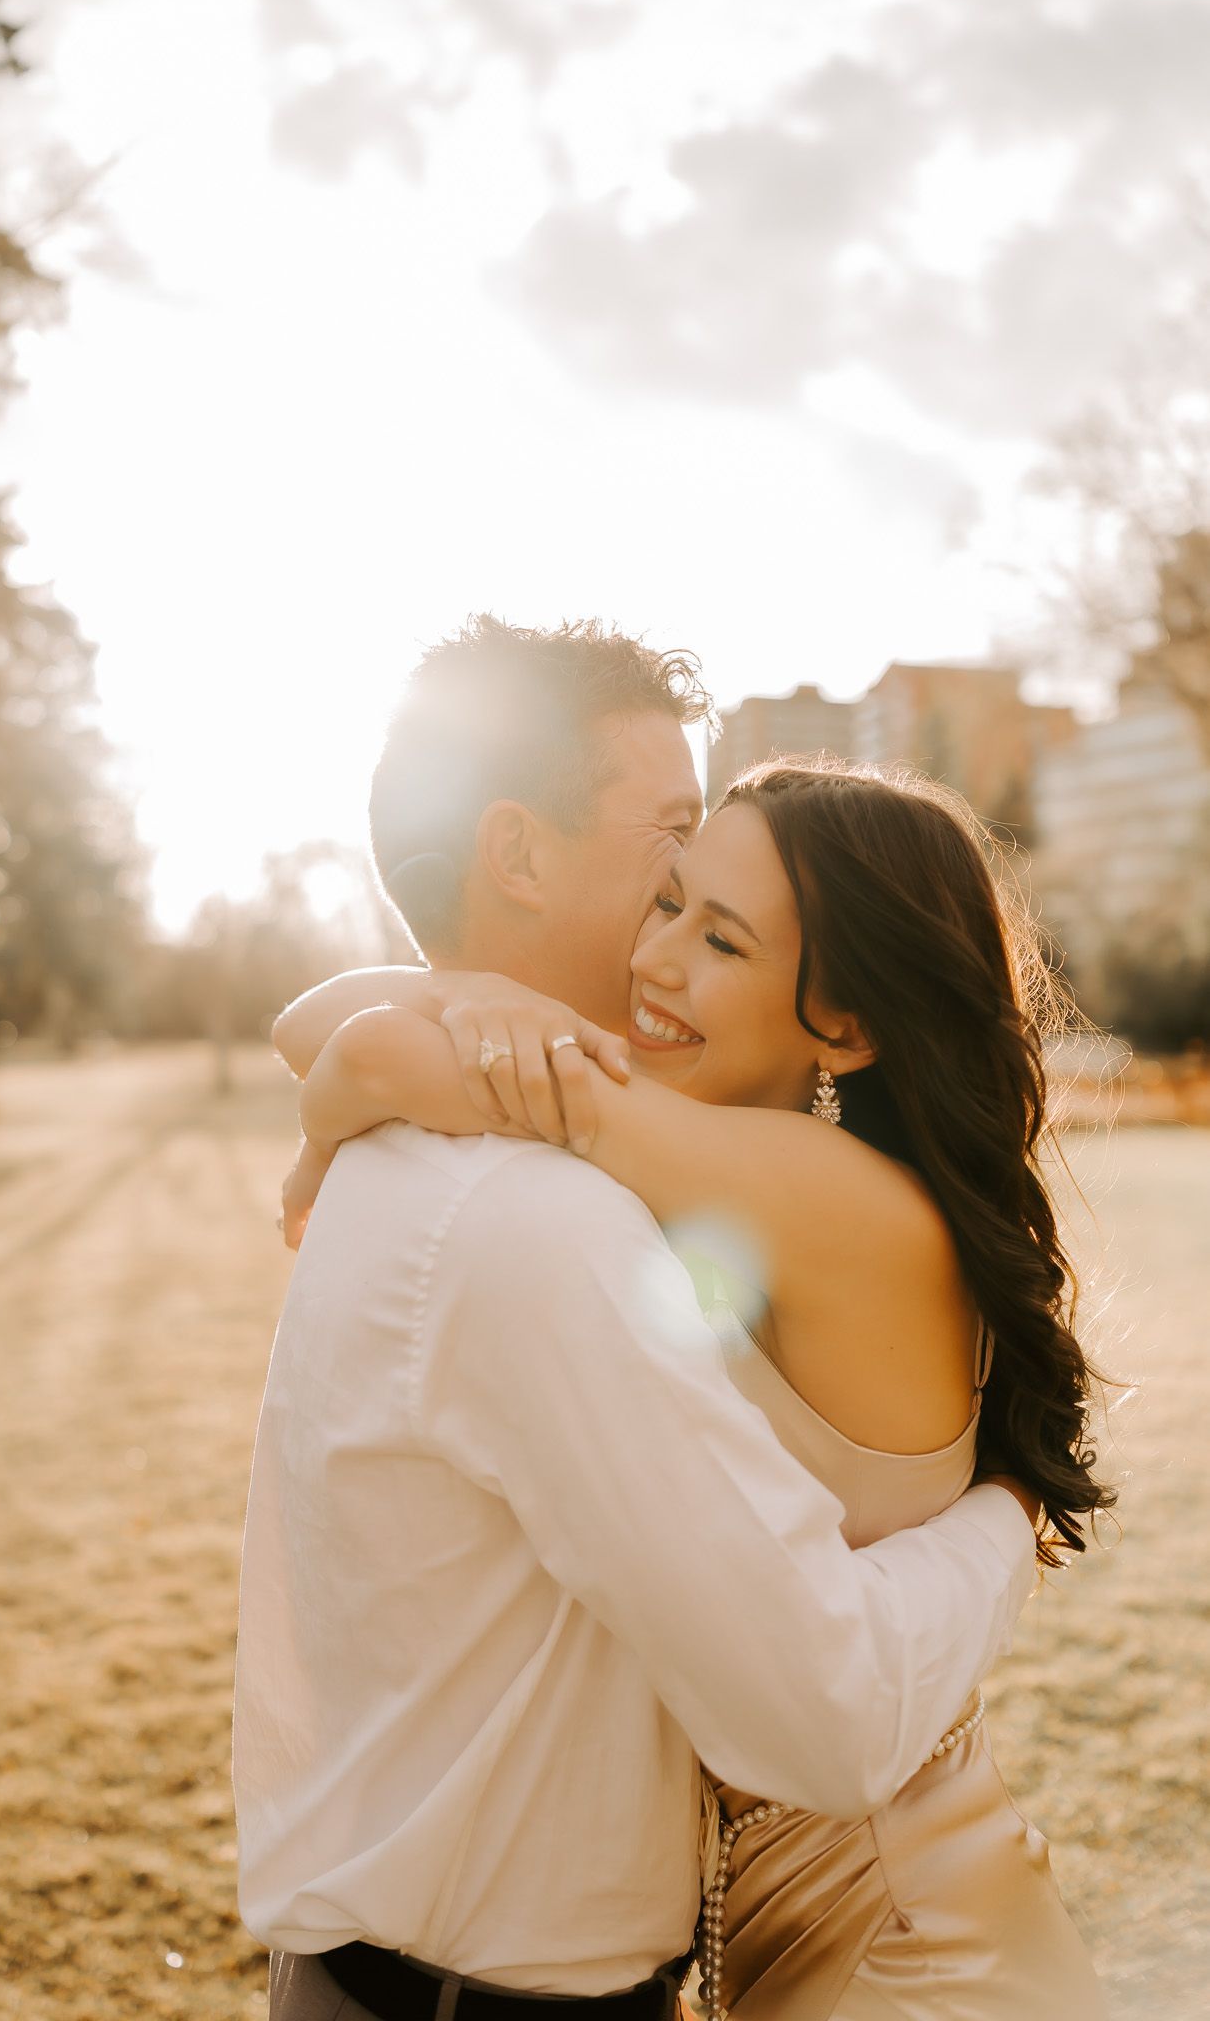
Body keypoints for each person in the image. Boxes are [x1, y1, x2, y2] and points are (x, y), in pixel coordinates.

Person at [234, 617, 1045, 2021]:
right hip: (630, 1953)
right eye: (666, 879)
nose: (666, 945)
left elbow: (351, 1034)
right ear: (521, 854)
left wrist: (1009, 1528)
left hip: (903, 1936)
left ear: (842, 1023)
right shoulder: (546, 1209)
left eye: (715, 924)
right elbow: (336, 1026)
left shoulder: (782, 1187)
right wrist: (437, 1018)